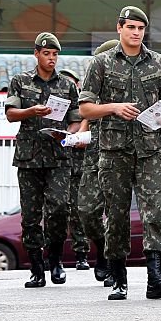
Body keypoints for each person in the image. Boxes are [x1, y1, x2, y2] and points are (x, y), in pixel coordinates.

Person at [79, 6, 161, 301]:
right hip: (114, 152)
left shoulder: (159, 63)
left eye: (140, 28)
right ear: (120, 29)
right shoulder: (101, 63)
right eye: (131, 27)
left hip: (150, 149)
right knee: (116, 216)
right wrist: (113, 107)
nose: (136, 33)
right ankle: (118, 277)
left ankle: (156, 278)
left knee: (155, 212)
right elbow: (85, 108)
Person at [4, 32, 81, 288]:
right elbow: (11, 115)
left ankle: (56, 261)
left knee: (59, 208)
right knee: (30, 216)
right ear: (36, 54)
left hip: (58, 157)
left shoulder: (67, 85)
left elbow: (76, 118)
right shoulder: (20, 81)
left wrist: (67, 134)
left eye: (55, 54)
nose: (51, 59)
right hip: (29, 158)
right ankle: (37, 269)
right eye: (46, 54)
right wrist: (31, 111)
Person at [76, 39, 119, 287]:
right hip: (94, 156)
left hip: (117, 154)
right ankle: (102, 246)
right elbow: (86, 119)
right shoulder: (94, 88)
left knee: (115, 213)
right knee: (86, 210)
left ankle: (113, 264)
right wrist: (80, 135)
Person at [58, 67, 91, 271]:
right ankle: (55, 256)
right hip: (58, 164)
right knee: (57, 211)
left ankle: (81, 255)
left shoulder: (83, 106)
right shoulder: (54, 106)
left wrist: (72, 134)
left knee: (79, 212)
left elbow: (84, 131)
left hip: (79, 166)